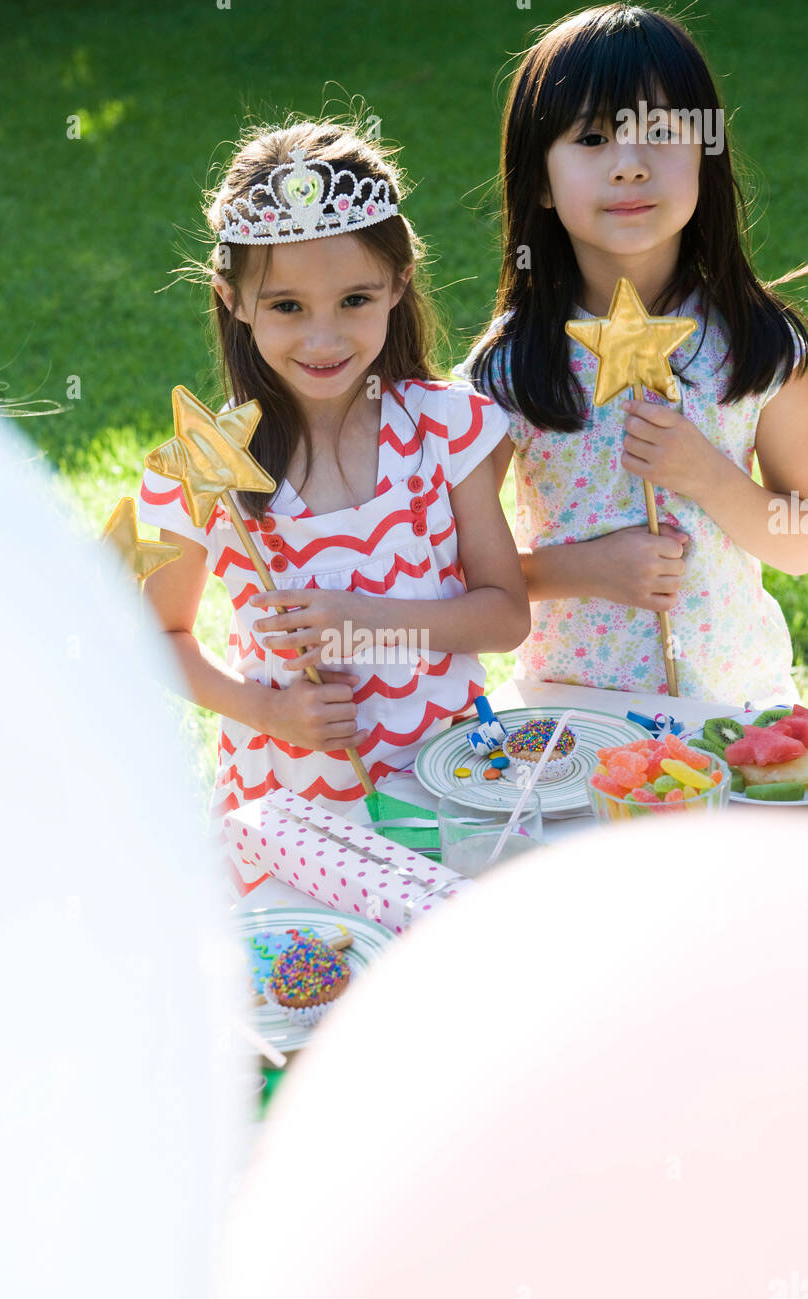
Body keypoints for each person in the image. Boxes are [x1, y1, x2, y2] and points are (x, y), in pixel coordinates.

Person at [139, 119, 529, 896]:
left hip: (445, 773)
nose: (323, 337)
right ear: (233, 300)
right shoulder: (207, 468)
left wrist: (366, 617)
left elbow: (504, 613)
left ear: (398, 284)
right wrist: (265, 711)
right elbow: (159, 636)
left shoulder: (444, 429)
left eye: (354, 299)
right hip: (292, 797)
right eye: (286, 305)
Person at [455, 3, 808, 705]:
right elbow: (453, 571)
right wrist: (584, 570)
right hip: (575, 716)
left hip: (734, 706)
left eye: (659, 133)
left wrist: (707, 475)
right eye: (589, 138)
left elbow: (797, 545)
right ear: (538, 183)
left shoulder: (758, 345)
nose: (627, 166)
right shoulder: (507, 373)